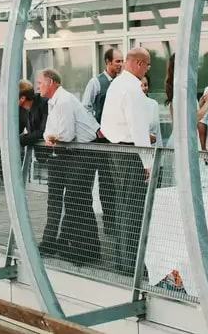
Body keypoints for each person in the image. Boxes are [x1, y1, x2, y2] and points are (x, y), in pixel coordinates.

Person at [36, 68, 101, 265]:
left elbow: (64, 134)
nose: (38, 86)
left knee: (77, 200)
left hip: (84, 152)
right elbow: (49, 132)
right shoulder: (54, 101)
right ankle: (78, 248)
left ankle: (85, 250)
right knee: (77, 201)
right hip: (73, 153)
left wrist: (52, 138)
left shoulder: (63, 101)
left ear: (52, 82)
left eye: (40, 82)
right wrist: (51, 137)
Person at [101, 47, 153, 275]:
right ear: (140, 64)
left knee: (122, 207)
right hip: (131, 153)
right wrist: (148, 162)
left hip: (115, 150)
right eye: (148, 65)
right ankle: (133, 264)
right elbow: (138, 129)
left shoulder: (116, 84)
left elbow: (105, 124)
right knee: (134, 210)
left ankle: (123, 262)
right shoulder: (133, 89)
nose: (147, 70)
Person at [80, 48, 121, 234]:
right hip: (101, 139)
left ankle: (116, 221)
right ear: (108, 62)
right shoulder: (96, 82)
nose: (120, 65)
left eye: (122, 61)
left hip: (117, 138)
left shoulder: (122, 82)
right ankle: (109, 224)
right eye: (117, 62)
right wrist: (97, 128)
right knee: (105, 181)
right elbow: (85, 107)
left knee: (114, 181)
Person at [164, 53, 208, 149]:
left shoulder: (180, 87)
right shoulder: (182, 90)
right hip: (184, 145)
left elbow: (183, 116)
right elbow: (190, 121)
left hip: (182, 141)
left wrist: (199, 104)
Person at [17, 80, 45, 146]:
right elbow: (18, 129)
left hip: (52, 151)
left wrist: (21, 139)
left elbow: (42, 131)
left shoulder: (44, 103)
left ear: (22, 98)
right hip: (36, 151)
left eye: (12, 96)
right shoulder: (20, 108)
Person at [140, 74, 160, 144]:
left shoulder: (154, 104)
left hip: (152, 149)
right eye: (140, 85)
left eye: (145, 85)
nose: (143, 88)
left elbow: (158, 132)